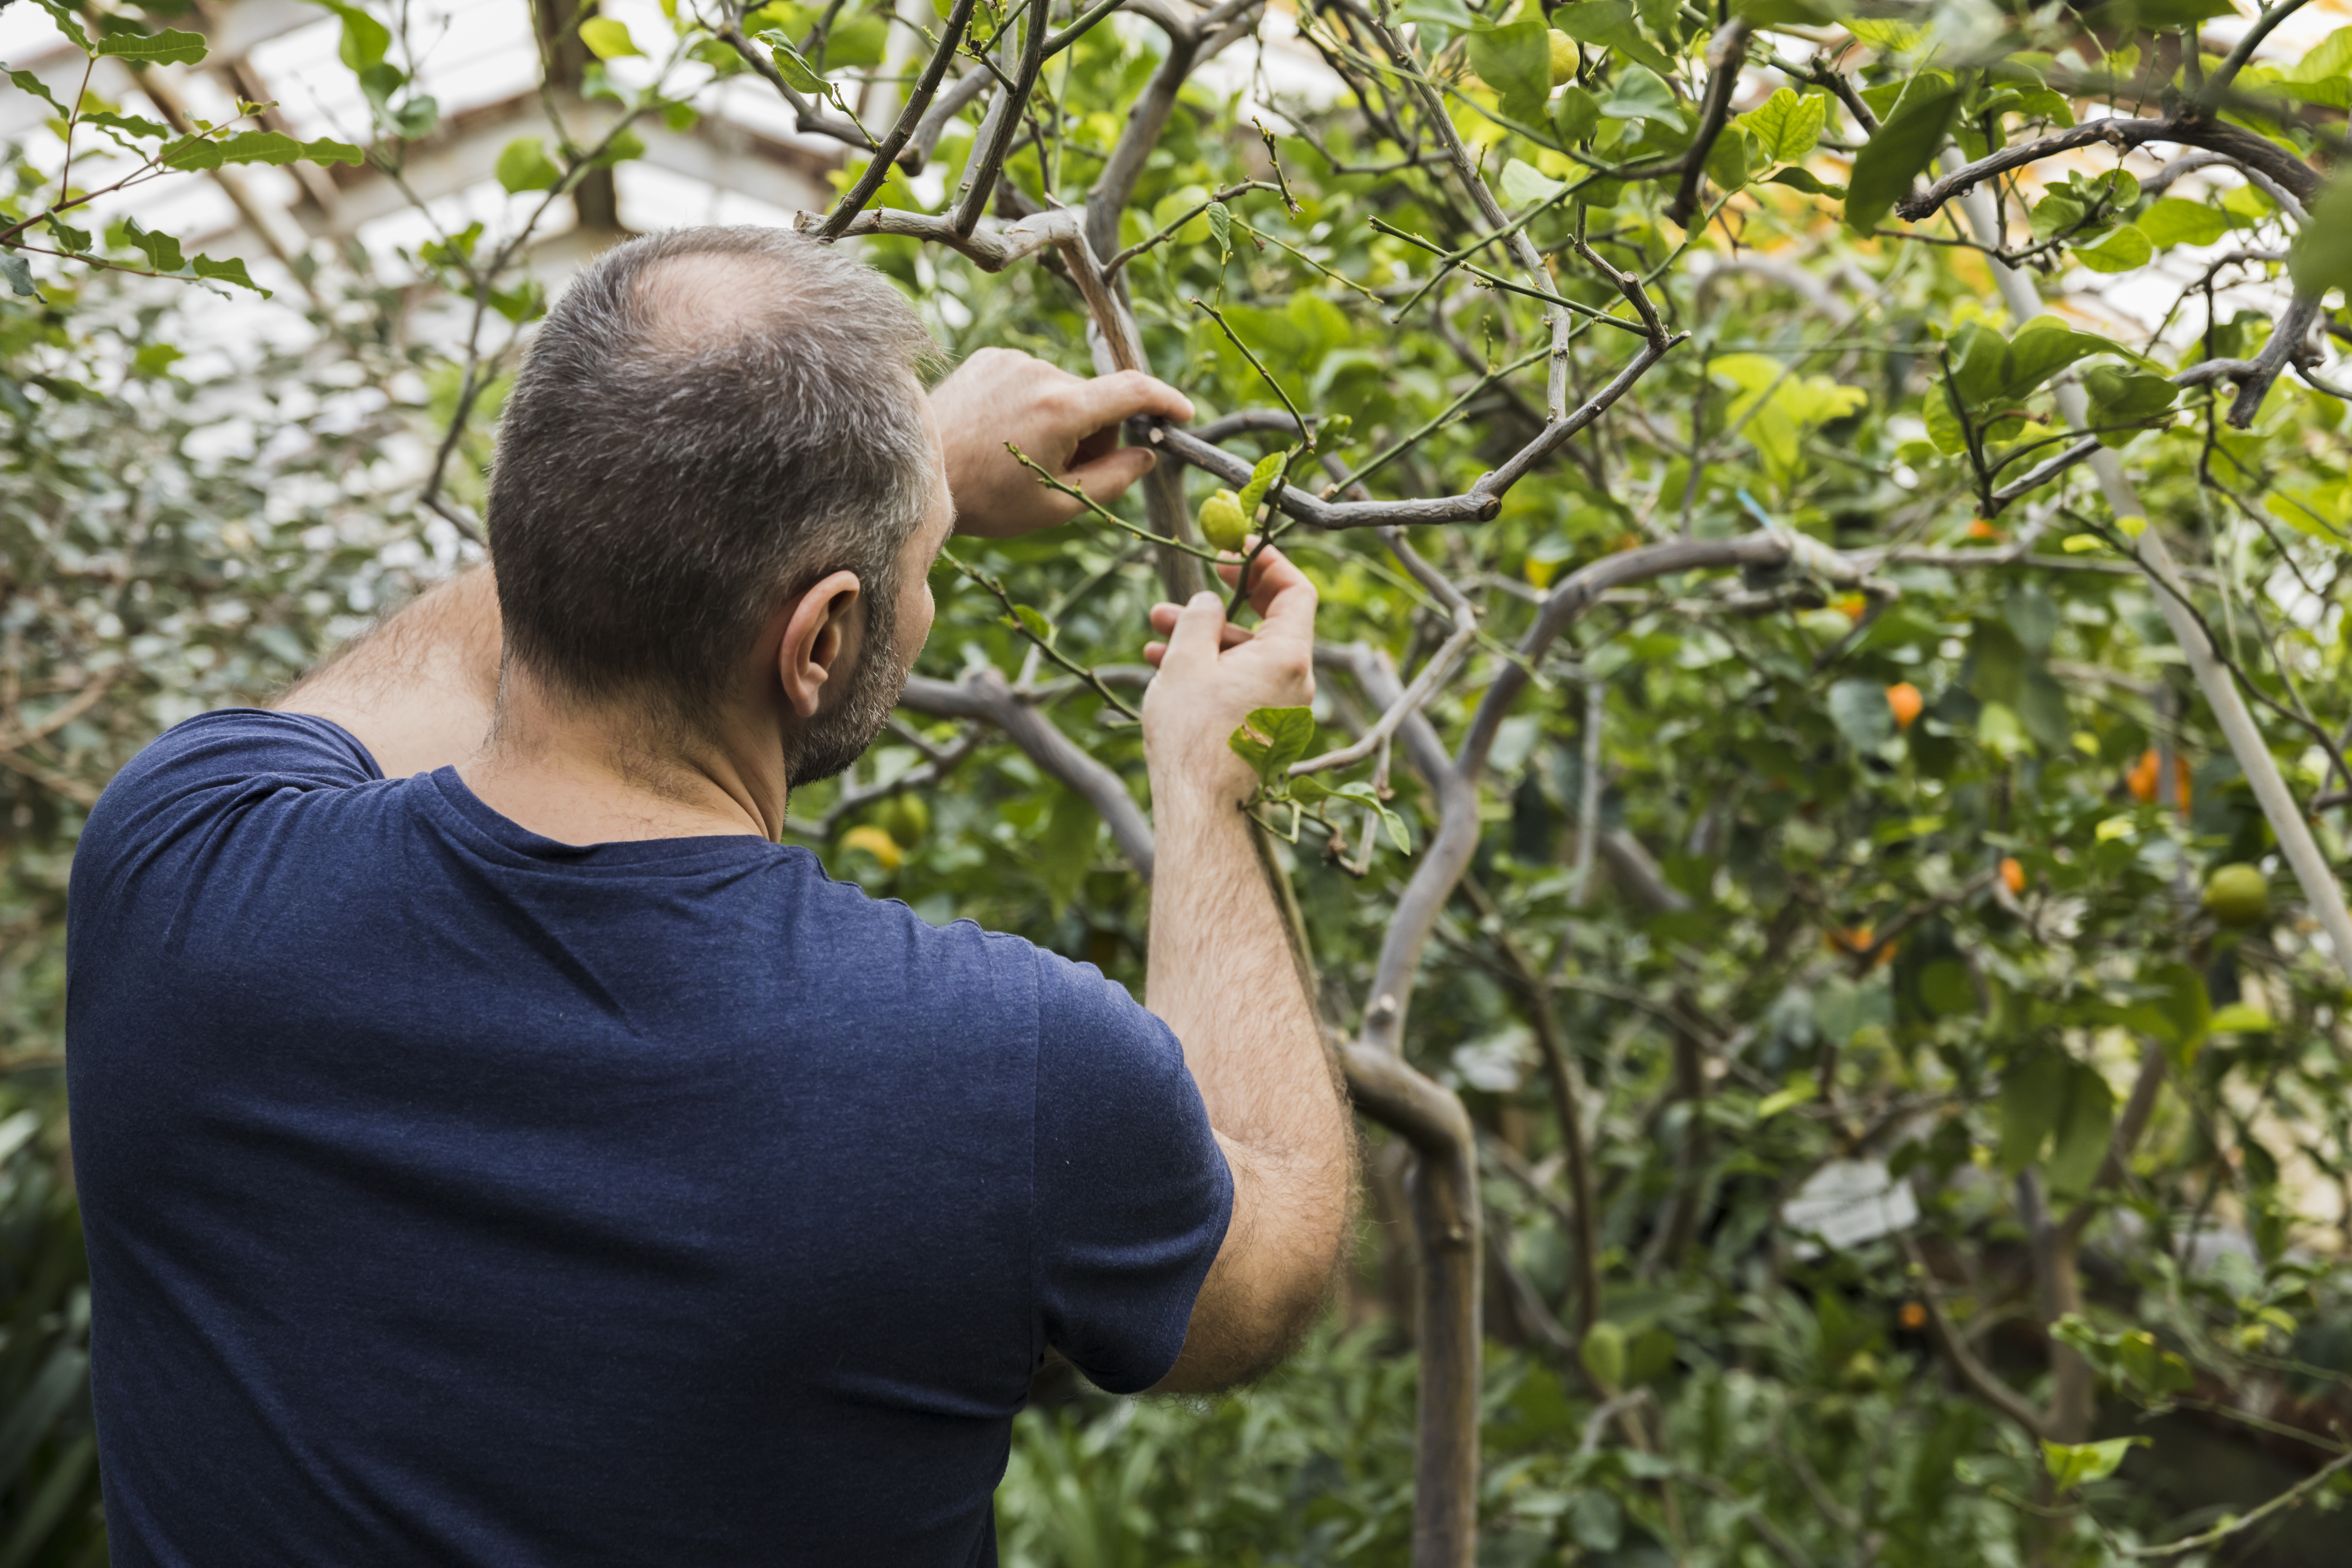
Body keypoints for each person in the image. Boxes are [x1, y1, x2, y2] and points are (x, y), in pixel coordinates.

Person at [65, 226, 1352, 1566]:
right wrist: (1211, 784)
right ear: (820, 642)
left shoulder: (178, 866)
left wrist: (895, 467)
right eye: (921, 570)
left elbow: (459, 645)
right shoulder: (1012, 1071)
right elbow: (1270, 1266)